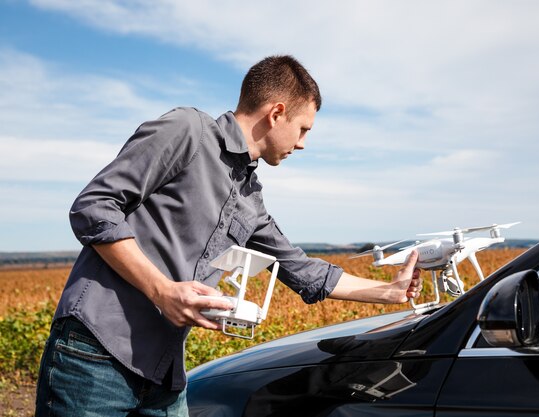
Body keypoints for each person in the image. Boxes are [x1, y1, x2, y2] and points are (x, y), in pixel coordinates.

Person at [35, 55, 422, 416]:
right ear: (277, 113)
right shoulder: (187, 130)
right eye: (303, 129)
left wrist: (389, 291)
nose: (302, 143)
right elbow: (94, 206)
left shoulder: (250, 198)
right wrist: (161, 291)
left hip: (164, 373)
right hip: (95, 357)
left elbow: (302, 271)